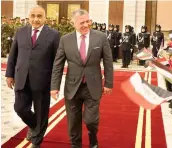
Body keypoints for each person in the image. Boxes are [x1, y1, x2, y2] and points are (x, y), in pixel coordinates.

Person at [50, 9, 113, 148]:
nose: (86, 25)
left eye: (88, 21)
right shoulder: (65, 39)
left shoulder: (100, 37)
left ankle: (93, 139)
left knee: (91, 120)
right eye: (82, 22)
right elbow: (58, 64)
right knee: (73, 122)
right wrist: (54, 87)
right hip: (72, 87)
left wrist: (109, 83)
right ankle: (75, 145)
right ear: (73, 24)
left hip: (93, 86)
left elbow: (108, 62)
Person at [5, 5, 60, 148]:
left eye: (39, 16)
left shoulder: (54, 35)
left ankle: (36, 141)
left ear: (45, 18)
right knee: (20, 108)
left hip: (42, 81)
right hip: (21, 78)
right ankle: (35, 126)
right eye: (33, 16)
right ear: (29, 17)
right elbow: (13, 54)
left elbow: (57, 61)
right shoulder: (20, 32)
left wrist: (55, 84)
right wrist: (9, 74)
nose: (36, 19)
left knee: (41, 112)